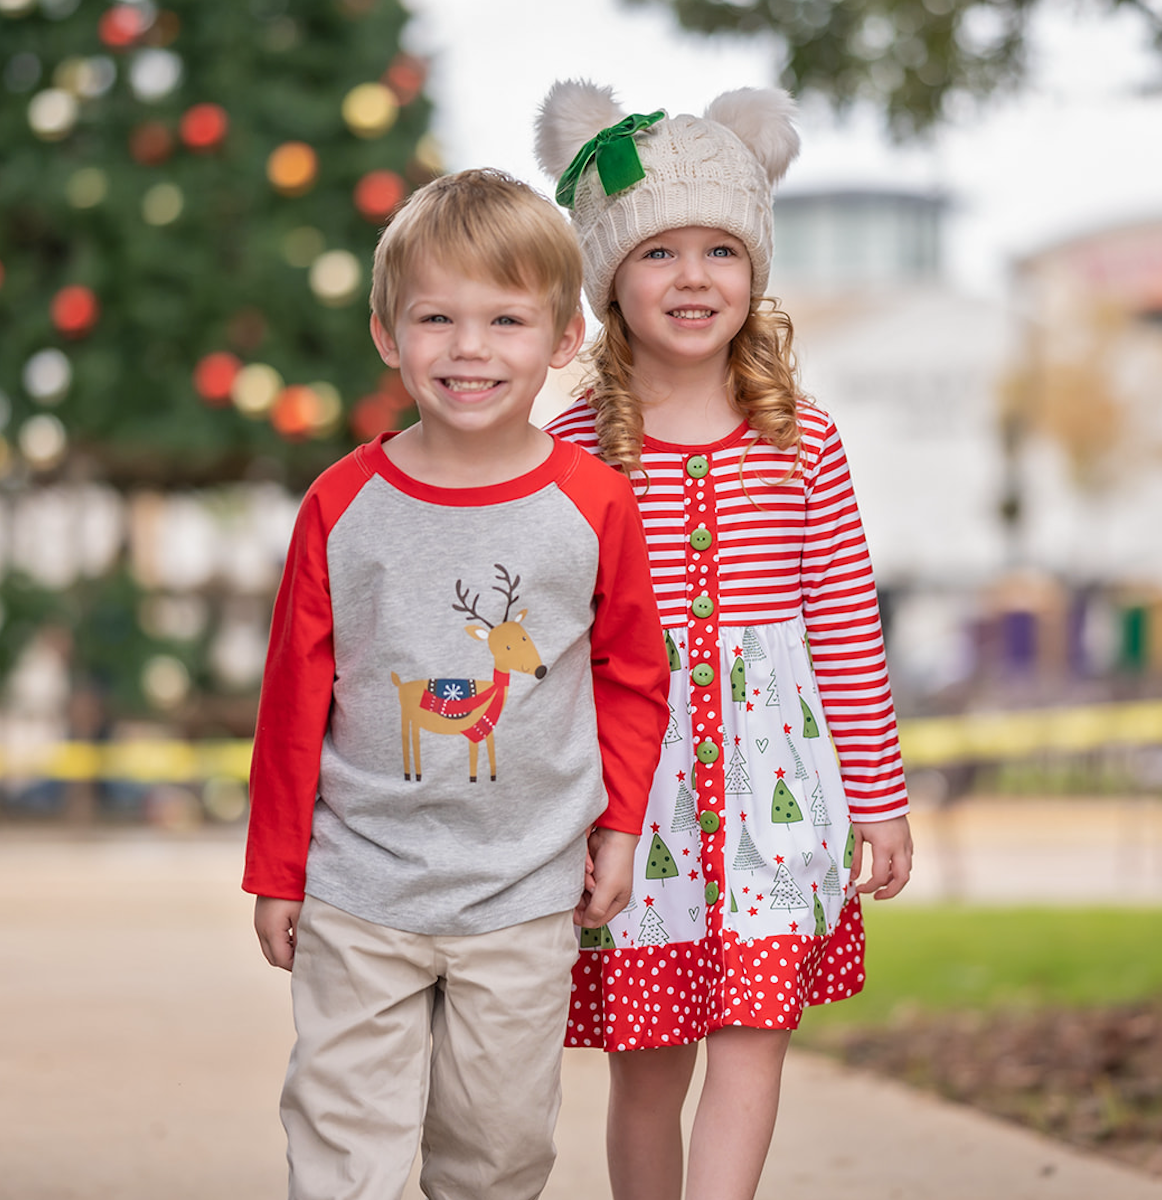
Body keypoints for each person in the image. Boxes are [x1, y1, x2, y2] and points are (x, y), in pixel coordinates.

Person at [242, 167, 672, 1200]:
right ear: (390, 334)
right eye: (436, 318)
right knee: (345, 1137)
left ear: (562, 339)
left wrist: (617, 828)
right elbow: (294, 700)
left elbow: (631, 675)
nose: (469, 348)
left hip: (523, 890)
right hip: (361, 886)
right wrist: (279, 869)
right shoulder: (340, 506)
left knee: (498, 1150)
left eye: (504, 320)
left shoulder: (595, 504)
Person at [535, 82, 914, 1200]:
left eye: (719, 250)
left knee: (755, 1038)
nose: (692, 278)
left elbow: (845, 630)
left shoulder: (802, 441)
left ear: (754, 270)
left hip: (773, 796)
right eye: (658, 252)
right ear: (609, 278)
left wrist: (879, 798)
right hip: (631, 806)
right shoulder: (567, 447)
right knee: (649, 1068)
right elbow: (552, 644)